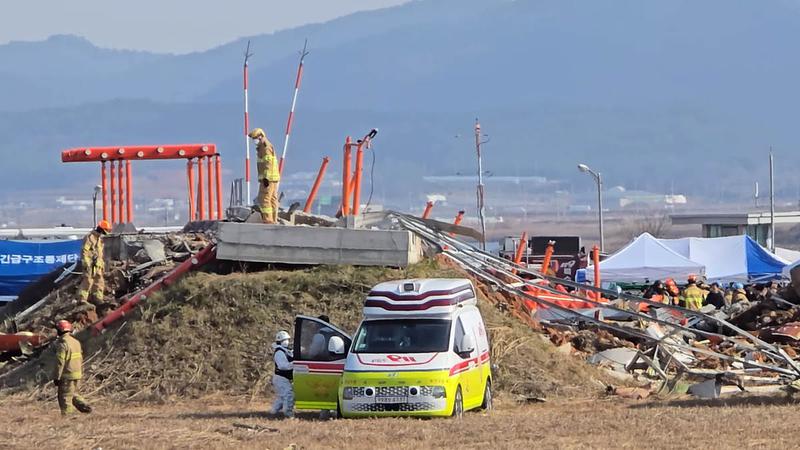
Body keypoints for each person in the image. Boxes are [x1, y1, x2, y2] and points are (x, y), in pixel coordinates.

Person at [52, 320, 92, 416]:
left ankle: (68, 418)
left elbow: (59, 362)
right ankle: (84, 406)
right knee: (72, 393)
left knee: (64, 397)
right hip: (77, 374)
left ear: (59, 331)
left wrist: (56, 377)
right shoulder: (76, 342)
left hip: (67, 375)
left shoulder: (63, 344)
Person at [248, 128, 281, 224]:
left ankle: (268, 221)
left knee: (264, 198)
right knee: (272, 199)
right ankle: (273, 220)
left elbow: (268, 163)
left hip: (268, 178)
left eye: (255, 138)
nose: (254, 141)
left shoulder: (265, 147)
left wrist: (266, 177)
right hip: (272, 177)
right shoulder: (263, 147)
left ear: (261, 136)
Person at [78, 220, 111, 305]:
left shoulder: (99, 239)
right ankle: (82, 299)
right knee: (88, 281)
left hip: (98, 265)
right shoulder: (90, 237)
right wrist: (86, 262)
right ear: (101, 229)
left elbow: (100, 253)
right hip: (90, 264)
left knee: (99, 282)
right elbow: (84, 251)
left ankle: (97, 298)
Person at [270, 330, 294, 418]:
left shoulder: (285, 351)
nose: (287, 342)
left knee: (281, 397)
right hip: (281, 378)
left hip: (283, 378)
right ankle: (288, 415)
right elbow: (283, 366)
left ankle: (273, 413)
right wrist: (294, 364)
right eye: (285, 340)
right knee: (288, 394)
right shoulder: (279, 352)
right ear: (280, 341)